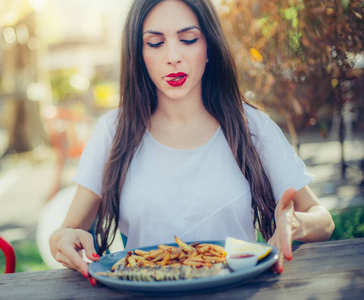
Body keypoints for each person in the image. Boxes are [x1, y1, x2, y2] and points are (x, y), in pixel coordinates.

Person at [49, 0, 335, 285]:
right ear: (139, 53)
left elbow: (322, 219)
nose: (173, 56)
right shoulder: (113, 131)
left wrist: (297, 224)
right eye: (155, 43)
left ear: (208, 47)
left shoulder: (251, 126)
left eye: (188, 39)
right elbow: (64, 233)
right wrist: (64, 239)